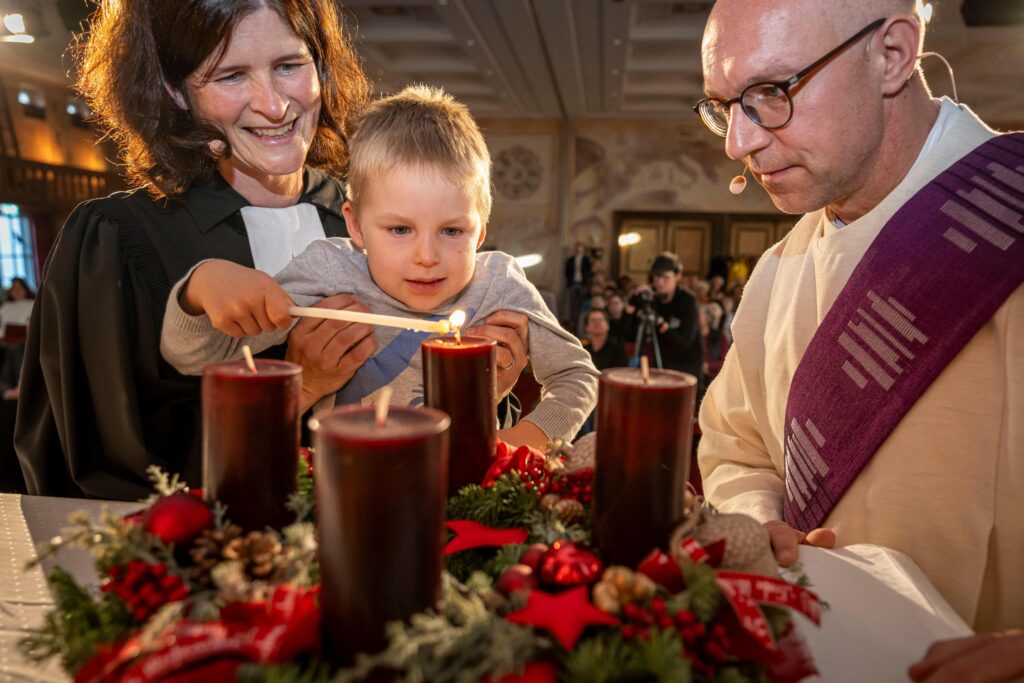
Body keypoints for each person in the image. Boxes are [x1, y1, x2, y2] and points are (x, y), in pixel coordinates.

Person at [15, 0, 529, 501]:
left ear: (321, 66)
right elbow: (104, 476)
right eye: (231, 76)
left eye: (288, 65)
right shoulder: (117, 241)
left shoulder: (381, 222)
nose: (274, 104)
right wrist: (299, 388)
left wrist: (480, 396)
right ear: (175, 92)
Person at [694, 0, 1023, 669]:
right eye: (723, 105)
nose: (738, 141)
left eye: (770, 92)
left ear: (893, 55)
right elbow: (737, 446)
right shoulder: (774, 273)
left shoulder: (1008, 221)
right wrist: (760, 523)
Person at [161, 86, 598, 451]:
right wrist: (198, 290)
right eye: (400, 229)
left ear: (480, 232)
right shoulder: (327, 271)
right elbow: (196, 359)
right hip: (341, 488)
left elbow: (578, 375)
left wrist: (533, 436)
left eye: (451, 232)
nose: (426, 256)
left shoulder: (499, 284)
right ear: (356, 226)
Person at [629, 253, 703, 380]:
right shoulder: (652, 299)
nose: (660, 283)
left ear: (677, 276)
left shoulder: (688, 300)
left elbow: (684, 342)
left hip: (687, 368)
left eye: (665, 278)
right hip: (660, 366)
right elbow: (628, 334)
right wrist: (633, 301)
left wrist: (660, 323)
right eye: (656, 277)